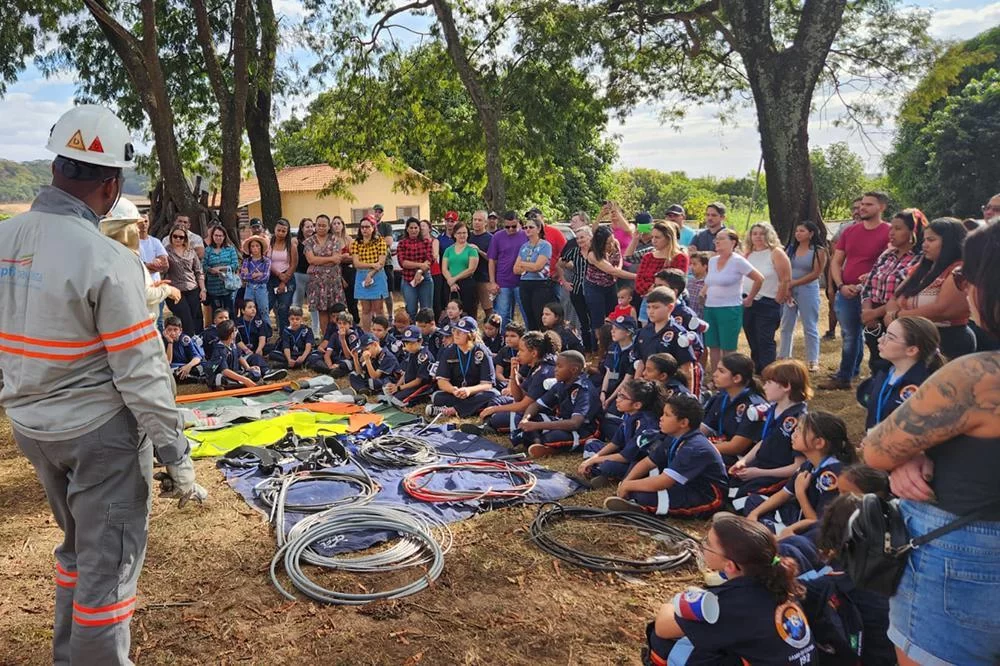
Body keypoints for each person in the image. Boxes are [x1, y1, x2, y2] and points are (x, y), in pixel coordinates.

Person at [0, 105, 205, 665]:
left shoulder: (6, 237)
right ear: (112, 184)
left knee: (78, 551)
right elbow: (143, 374)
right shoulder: (108, 259)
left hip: (32, 428)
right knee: (108, 573)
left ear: (56, 168)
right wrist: (175, 454)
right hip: (98, 438)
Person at [860, 231, 1000, 666]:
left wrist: (913, 449)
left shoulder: (977, 376)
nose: (962, 287)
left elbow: (877, 451)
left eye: (963, 276)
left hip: (967, 556)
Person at [643, 513, 817, 666]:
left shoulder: (729, 603)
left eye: (708, 544)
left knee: (664, 644)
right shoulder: (779, 584)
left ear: (730, 565)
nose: (703, 545)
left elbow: (663, 627)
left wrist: (675, 602)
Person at [605, 394, 728, 517]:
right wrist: (627, 482)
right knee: (637, 467)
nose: (661, 418)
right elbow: (648, 462)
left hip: (706, 495)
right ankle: (634, 499)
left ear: (684, 422)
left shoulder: (694, 447)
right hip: (684, 484)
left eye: (667, 415)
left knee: (644, 495)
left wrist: (629, 486)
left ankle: (640, 506)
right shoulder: (674, 437)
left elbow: (664, 482)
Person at [744, 411, 858, 539]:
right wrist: (754, 514)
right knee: (753, 501)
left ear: (819, 443)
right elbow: (783, 494)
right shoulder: (809, 464)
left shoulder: (831, 476)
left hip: (812, 531)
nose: (794, 434)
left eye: (800, 430)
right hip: (795, 516)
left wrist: (800, 493)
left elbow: (817, 524)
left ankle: (771, 537)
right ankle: (768, 533)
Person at [822, 191, 891, 390]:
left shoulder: (889, 232)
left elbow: (888, 264)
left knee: (874, 335)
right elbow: (836, 261)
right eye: (862, 204)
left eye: (868, 204)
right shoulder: (850, 232)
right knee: (850, 334)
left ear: (881, 207)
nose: (862, 208)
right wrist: (841, 285)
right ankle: (846, 375)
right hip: (847, 291)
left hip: (875, 294)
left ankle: (879, 376)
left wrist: (863, 285)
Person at [886, 217, 975, 359]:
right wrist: (891, 313)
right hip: (915, 338)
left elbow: (942, 310)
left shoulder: (959, 271)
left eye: (931, 240)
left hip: (948, 340)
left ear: (950, 242)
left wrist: (897, 317)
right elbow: (896, 297)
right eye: (924, 240)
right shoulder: (920, 269)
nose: (924, 245)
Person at [729, 360, 811, 506]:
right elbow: (763, 441)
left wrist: (759, 472)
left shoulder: (800, 419)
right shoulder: (774, 408)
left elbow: (797, 467)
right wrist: (743, 461)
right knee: (727, 482)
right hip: (761, 465)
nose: (764, 387)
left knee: (741, 502)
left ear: (786, 386)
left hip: (777, 475)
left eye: (768, 383)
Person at [859, 209, 925, 373]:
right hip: (872, 315)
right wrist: (868, 311)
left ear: (912, 232)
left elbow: (906, 292)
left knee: (896, 363)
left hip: (898, 317)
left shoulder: (921, 259)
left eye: (898, 228)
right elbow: (869, 284)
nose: (892, 233)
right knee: (876, 360)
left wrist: (876, 313)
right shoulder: (886, 255)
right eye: (891, 228)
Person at [99, 202, 180, 324]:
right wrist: (168, 290)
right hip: (135, 327)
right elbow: (143, 293)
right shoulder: (125, 259)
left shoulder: (111, 255)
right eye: (135, 226)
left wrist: (152, 285)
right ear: (124, 229)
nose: (139, 229)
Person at [857, 316, 943, 430]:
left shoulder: (924, 387)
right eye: (885, 334)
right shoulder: (884, 373)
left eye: (890, 338)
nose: (880, 340)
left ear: (912, 350)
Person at [513, 350, 600, 457]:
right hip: (563, 421)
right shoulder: (561, 384)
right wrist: (525, 419)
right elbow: (536, 405)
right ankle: (538, 443)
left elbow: (574, 423)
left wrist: (536, 426)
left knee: (552, 437)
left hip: (583, 430)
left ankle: (546, 446)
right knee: (524, 416)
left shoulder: (585, 390)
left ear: (574, 370)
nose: (555, 370)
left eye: (559, 366)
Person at [579, 378, 664, 488]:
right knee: (591, 444)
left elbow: (625, 457)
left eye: (622, 397)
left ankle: (604, 473)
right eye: (619, 395)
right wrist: (594, 458)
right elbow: (615, 443)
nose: (617, 400)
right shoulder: (629, 415)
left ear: (637, 405)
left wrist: (593, 460)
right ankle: (601, 473)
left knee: (608, 466)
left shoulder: (647, 425)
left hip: (638, 463)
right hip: (624, 456)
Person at [703, 230, 764, 376]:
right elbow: (711, 280)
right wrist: (703, 291)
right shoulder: (712, 260)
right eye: (716, 239)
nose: (717, 242)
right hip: (710, 307)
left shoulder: (738, 261)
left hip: (729, 308)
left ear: (733, 242)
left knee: (728, 347)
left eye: (722, 239)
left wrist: (749, 298)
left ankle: (729, 376)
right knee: (713, 345)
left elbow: (759, 278)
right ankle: (716, 377)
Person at [479, 330, 559, 432]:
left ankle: (491, 423)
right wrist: (514, 373)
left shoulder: (544, 372)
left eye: (521, 350)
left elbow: (523, 405)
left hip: (538, 413)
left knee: (497, 417)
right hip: (525, 406)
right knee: (496, 400)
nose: (518, 353)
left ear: (534, 353)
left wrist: (494, 409)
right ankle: (488, 424)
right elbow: (518, 396)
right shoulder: (535, 365)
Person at [742, 223, 792, 375]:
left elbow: (785, 278)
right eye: (754, 233)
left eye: (761, 233)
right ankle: (757, 369)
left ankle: (769, 372)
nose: (758, 236)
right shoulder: (748, 254)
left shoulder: (776, 253)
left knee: (765, 340)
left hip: (767, 302)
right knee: (752, 338)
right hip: (748, 301)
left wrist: (778, 299)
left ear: (769, 235)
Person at [426, 316, 500, 418]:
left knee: (494, 395)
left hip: (475, 392)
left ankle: (452, 410)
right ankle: (471, 408)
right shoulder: (448, 351)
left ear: (471, 335)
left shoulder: (482, 351)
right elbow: (442, 381)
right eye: (455, 330)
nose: (456, 334)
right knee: (436, 397)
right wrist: (453, 390)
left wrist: (469, 390)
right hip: (456, 393)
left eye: (461, 332)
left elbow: (487, 384)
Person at [702, 353, 767, 467]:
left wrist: (698, 446)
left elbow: (736, 447)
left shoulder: (754, 406)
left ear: (737, 378)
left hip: (742, 460)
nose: (715, 374)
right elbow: (704, 428)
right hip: (720, 447)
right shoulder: (722, 397)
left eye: (721, 371)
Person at [632, 287, 701, 394]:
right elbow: (641, 361)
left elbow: (686, 368)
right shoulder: (644, 332)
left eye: (655, 307)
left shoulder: (678, 334)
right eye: (648, 307)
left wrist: (688, 396)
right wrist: (635, 388)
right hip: (648, 387)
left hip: (669, 389)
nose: (651, 311)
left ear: (670, 307)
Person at [585, 225, 633, 342]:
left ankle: (613, 342)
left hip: (610, 285)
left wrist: (619, 268)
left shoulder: (614, 242)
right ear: (600, 243)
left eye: (611, 241)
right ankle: (598, 347)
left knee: (613, 314)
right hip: (595, 287)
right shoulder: (593, 254)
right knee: (598, 320)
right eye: (607, 243)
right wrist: (637, 276)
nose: (611, 245)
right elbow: (611, 270)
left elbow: (619, 258)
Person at [206, 320, 285, 389]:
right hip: (224, 375)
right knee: (224, 380)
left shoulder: (233, 344)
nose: (236, 332)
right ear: (231, 335)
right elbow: (225, 371)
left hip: (236, 373)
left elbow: (239, 357)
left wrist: (248, 368)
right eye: (235, 330)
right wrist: (245, 380)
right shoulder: (220, 349)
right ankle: (236, 384)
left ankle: (241, 383)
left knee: (255, 373)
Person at [823, 198, 861, 341]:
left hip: (864, 283)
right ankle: (831, 331)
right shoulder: (845, 228)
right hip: (842, 280)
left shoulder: (882, 230)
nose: (856, 211)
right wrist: (833, 285)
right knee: (835, 307)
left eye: (860, 207)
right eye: (854, 208)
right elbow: (834, 258)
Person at [635, 222, 689, 322]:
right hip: (648, 303)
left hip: (670, 304)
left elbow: (677, 284)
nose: (653, 241)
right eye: (653, 237)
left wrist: (654, 288)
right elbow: (638, 283)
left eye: (657, 237)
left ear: (668, 238)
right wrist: (656, 288)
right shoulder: (648, 257)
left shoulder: (680, 257)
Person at [304, 214, 347, 336]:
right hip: (317, 282)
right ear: (315, 226)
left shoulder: (335, 240)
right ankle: (326, 338)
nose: (321, 227)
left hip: (333, 281)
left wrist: (319, 260)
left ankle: (338, 337)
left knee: (335, 311)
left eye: (324, 225)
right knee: (322, 311)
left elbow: (337, 259)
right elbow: (311, 260)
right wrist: (330, 259)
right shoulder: (309, 241)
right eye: (318, 225)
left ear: (329, 227)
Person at [487, 211, 529, 330]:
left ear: (519, 223)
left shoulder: (526, 235)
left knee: (526, 313)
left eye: (514, 226)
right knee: (503, 314)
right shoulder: (497, 237)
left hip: (522, 281)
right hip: (503, 281)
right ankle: (504, 341)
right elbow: (492, 260)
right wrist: (492, 281)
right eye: (507, 227)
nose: (510, 229)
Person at [165, 221, 206, 335]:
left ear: (185, 238)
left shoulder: (191, 251)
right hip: (175, 291)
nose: (178, 239)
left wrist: (203, 289)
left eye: (181, 237)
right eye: (175, 236)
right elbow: (163, 271)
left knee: (196, 318)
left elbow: (198, 271)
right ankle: (188, 342)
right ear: (171, 236)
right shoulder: (165, 251)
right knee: (185, 318)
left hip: (192, 288)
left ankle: (198, 342)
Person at [515, 216, 556, 331]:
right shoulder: (524, 246)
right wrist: (529, 266)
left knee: (540, 316)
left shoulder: (545, 245)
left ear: (538, 229)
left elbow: (538, 267)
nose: (527, 229)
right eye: (525, 227)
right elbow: (515, 269)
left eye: (531, 227)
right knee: (529, 316)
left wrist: (523, 264)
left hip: (540, 284)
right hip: (525, 283)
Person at [351, 215, 390, 330]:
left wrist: (370, 273)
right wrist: (372, 265)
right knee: (365, 309)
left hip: (377, 275)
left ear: (373, 227)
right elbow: (356, 263)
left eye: (367, 227)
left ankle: (381, 333)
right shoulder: (355, 243)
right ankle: (367, 334)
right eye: (362, 227)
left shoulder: (380, 242)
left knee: (379, 308)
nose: (364, 229)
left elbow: (381, 262)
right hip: (362, 275)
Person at [559, 223, 594, 349]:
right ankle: (588, 349)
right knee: (583, 321)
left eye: (582, 237)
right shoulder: (573, 252)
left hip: (594, 290)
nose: (579, 240)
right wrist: (564, 281)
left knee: (594, 320)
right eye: (578, 238)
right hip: (577, 288)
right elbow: (559, 264)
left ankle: (596, 347)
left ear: (590, 237)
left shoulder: (596, 252)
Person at [384, 326, 435, 407]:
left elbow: (418, 381)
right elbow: (406, 373)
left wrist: (399, 388)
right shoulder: (411, 353)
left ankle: (422, 399)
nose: (409, 346)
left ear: (420, 341)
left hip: (421, 387)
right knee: (387, 394)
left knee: (396, 400)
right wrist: (396, 386)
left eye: (412, 343)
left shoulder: (424, 356)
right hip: (409, 385)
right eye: (406, 343)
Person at [397, 217, 435, 318]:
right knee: (411, 310)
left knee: (426, 310)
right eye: (411, 228)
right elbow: (403, 263)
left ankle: (427, 332)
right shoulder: (402, 243)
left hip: (425, 278)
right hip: (408, 279)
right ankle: (412, 331)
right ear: (407, 229)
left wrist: (419, 271)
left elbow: (429, 260)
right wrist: (420, 265)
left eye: (416, 227)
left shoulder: (426, 242)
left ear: (419, 229)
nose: (414, 230)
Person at [442, 221, 481, 318]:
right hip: (451, 285)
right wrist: (451, 282)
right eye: (459, 233)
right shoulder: (448, 250)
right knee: (452, 312)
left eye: (464, 233)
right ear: (454, 234)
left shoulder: (471, 249)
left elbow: (471, 269)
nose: (462, 235)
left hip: (467, 284)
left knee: (468, 312)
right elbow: (444, 268)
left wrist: (454, 279)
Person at [137, 213, 170, 328]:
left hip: (156, 286)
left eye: (146, 221)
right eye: (141, 221)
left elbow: (165, 265)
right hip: (141, 288)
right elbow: (135, 267)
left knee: (159, 320)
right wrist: (151, 265)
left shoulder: (155, 242)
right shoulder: (133, 243)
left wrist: (145, 266)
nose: (143, 224)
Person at [202, 223, 240, 320]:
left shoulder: (230, 249)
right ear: (212, 236)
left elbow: (235, 265)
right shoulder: (208, 250)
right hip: (213, 287)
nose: (218, 238)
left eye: (220, 235)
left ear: (224, 236)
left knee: (230, 311)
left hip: (228, 286)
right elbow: (203, 265)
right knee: (217, 312)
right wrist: (211, 270)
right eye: (216, 235)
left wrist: (222, 268)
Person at [268, 218, 298, 333]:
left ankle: (284, 335)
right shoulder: (269, 244)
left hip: (287, 278)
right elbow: (266, 261)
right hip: (271, 278)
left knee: (283, 308)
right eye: (278, 230)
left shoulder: (291, 245)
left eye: (283, 231)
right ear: (274, 229)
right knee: (268, 305)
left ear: (287, 232)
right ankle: (265, 333)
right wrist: (278, 274)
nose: (280, 233)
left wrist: (284, 280)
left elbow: (293, 264)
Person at [292, 218, 321, 333]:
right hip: (299, 275)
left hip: (314, 275)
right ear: (302, 228)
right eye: (307, 227)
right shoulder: (296, 241)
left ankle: (315, 331)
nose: (309, 229)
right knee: (297, 303)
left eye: (311, 226)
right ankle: (295, 327)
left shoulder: (317, 241)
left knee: (314, 304)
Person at [331, 215, 359, 323]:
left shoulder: (349, 239)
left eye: (339, 223)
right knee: (340, 301)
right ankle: (341, 323)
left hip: (351, 271)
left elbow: (356, 257)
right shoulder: (330, 241)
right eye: (334, 223)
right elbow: (333, 260)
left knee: (353, 300)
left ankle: (355, 322)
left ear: (343, 225)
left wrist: (347, 258)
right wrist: (342, 258)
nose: (337, 226)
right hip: (337, 271)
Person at [371, 204, 396, 321]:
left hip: (386, 263)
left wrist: (374, 243)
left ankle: (391, 315)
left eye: (379, 212)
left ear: (382, 214)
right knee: (372, 291)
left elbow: (389, 242)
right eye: (375, 211)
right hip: (370, 263)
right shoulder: (368, 226)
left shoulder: (386, 226)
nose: (377, 214)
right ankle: (374, 316)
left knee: (388, 291)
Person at [468, 210, 494, 319]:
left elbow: (492, 259)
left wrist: (479, 251)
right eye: (475, 220)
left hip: (484, 278)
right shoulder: (467, 236)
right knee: (470, 308)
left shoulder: (491, 238)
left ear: (485, 222)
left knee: (489, 310)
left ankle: (492, 333)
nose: (476, 222)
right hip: (469, 278)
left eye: (480, 220)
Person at [239, 234, 271, 320]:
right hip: (249, 288)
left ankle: (266, 331)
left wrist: (249, 274)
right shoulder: (247, 261)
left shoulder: (266, 261)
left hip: (261, 288)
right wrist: (256, 274)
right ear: (250, 249)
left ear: (261, 247)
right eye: (252, 246)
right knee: (248, 311)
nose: (255, 248)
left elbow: (266, 277)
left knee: (263, 310)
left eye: (257, 246)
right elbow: (243, 275)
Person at [435, 211, 459, 314]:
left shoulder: (460, 237)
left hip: (459, 273)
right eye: (448, 221)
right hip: (444, 275)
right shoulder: (440, 239)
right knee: (446, 301)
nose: (450, 224)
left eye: (452, 221)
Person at [494, 321, 525, 389]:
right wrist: (506, 381)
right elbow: (498, 373)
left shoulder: (526, 352)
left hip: (521, 382)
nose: (508, 338)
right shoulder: (503, 351)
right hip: (504, 382)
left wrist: (513, 383)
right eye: (507, 336)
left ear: (521, 337)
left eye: (513, 336)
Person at [687, 252, 709, 318]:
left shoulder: (708, 283)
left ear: (705, 266)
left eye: (694, 264)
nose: (691, 267)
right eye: (690, 264)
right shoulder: (689, 281)